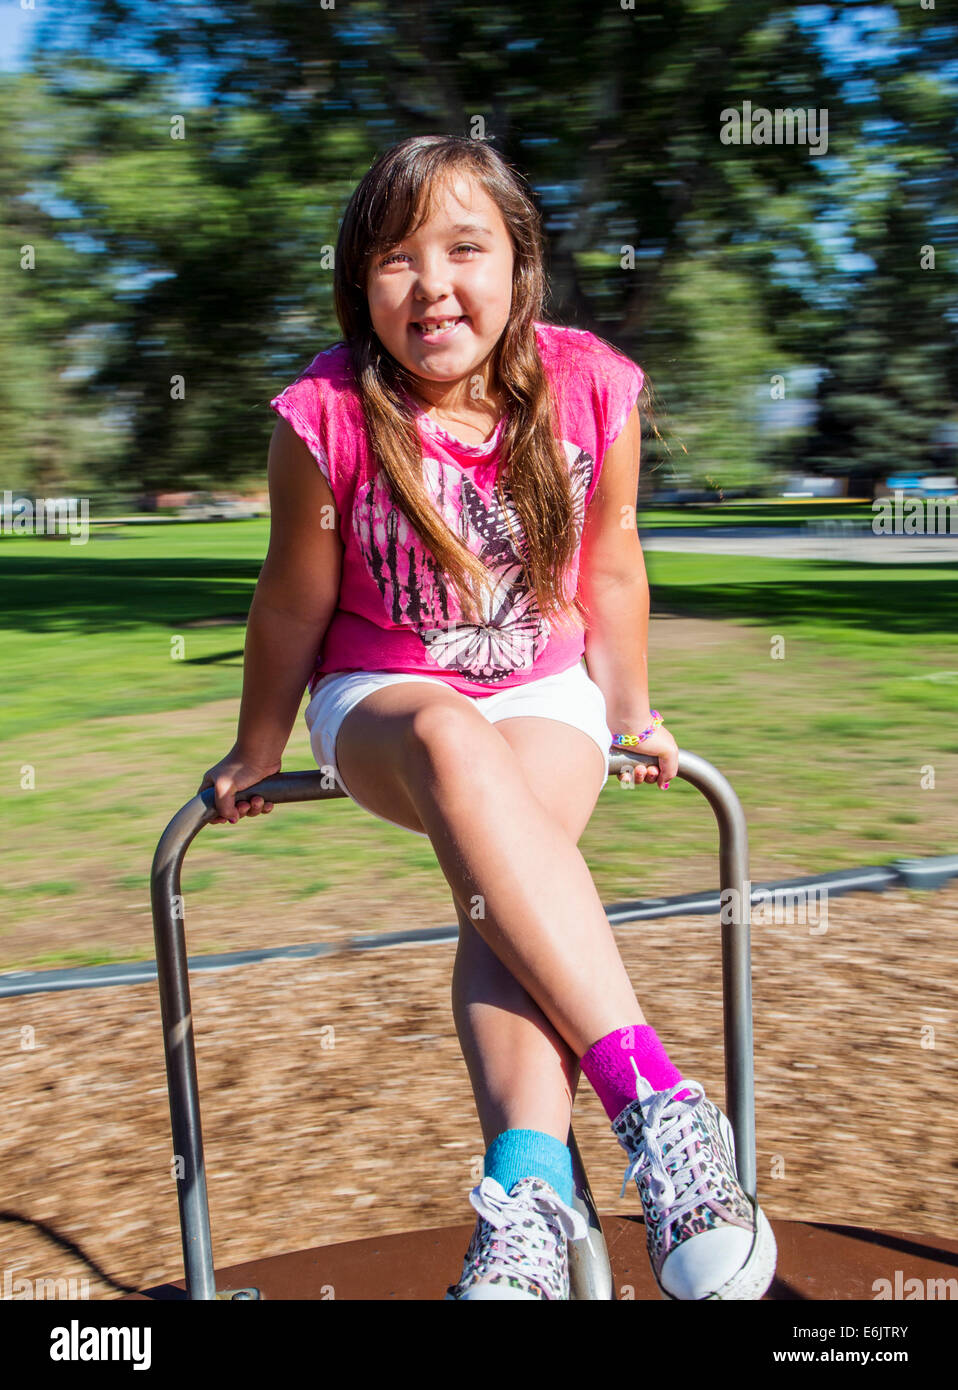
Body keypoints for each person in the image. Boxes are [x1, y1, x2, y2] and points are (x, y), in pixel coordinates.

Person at [198, 133, 777, 1302]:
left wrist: (634, 710)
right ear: (360, 282)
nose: (432, 285)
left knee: (502, 902)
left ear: (519, 264)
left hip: (544, 686)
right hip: (382, 698)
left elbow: (610, 565)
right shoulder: (327, 414)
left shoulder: (589, 387)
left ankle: (527, 1198)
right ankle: (659, 1105)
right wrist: (258, 745)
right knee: (454, 745)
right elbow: (292, 597)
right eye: (396, 258)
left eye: (465, 248)